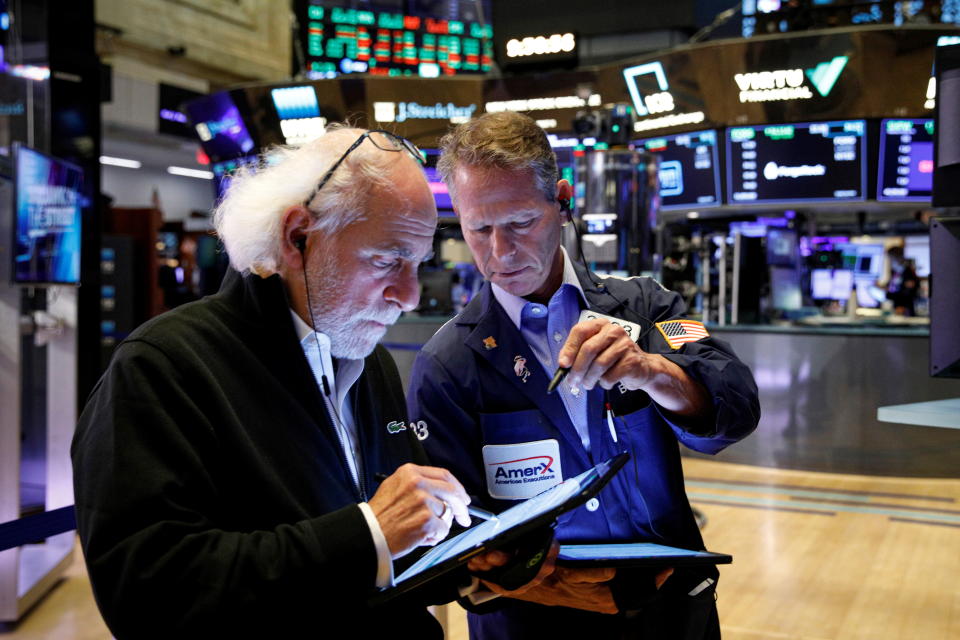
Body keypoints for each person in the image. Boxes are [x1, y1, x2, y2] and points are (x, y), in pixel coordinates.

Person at [72, 126, 524, 639]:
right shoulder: (163, 367)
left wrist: (472, 559)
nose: (410, 295)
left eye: (417, 264)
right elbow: (149, 592)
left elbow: (392, 549)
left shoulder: (363, 358)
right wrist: (368, 532)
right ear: (296, 237)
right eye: (386, 260)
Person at [406, 112, 761, 639]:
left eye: (522, 222)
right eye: (479, 228)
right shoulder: (444, 365)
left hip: (670, 613)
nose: (501, 253)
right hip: (534, 624)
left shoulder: (652, 306)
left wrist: (654, 372)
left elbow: (735, 402)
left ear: (563, 201)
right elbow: (450, 537)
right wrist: (547, 585)